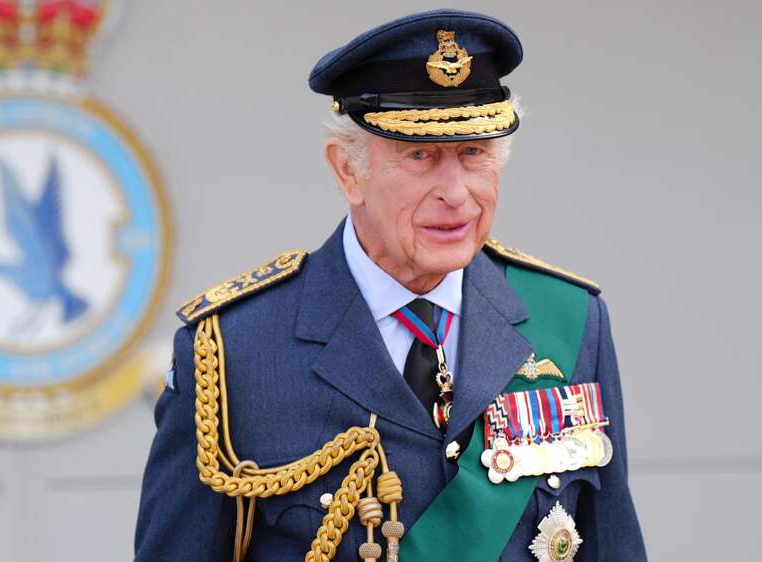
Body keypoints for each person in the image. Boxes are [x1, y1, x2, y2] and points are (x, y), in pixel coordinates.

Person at [135, 9, 646, 562]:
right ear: (347, 171)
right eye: (420, 156)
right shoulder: (235, 351)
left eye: (474, 153)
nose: (455, 193)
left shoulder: (570, 320)